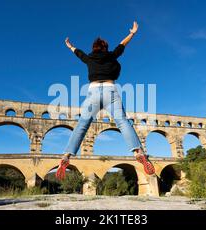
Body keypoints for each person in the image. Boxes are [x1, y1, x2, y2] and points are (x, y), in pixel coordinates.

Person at [56, 21, 155, 180]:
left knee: (82, 124)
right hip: (111, 90)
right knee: (122, 122)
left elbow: (78, 53)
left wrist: (69, 46)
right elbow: (122, 45)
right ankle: (138, 152)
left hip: (93, 91)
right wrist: (132, 33)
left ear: (94, 48)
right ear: (105, 47)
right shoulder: (111, 55)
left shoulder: (89, 58)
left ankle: (66, 155)